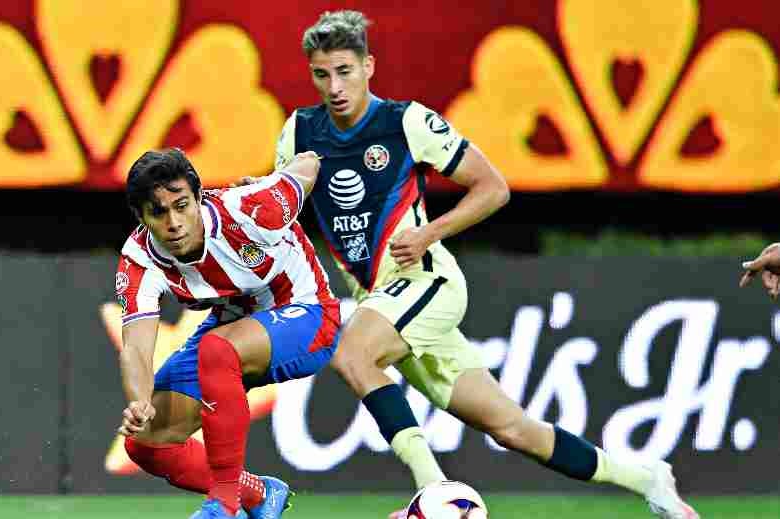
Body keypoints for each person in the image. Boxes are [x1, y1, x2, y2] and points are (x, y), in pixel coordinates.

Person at [275, 10, 699, 519]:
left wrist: (431, 231)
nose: (335, 86)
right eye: (322, 74)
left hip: (425, 281)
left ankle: (431, 492)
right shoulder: (300, 131)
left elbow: (493, 187)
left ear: (369, 66)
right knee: (513, 429)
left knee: (353, 355)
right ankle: (646, 478)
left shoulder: (406, 121)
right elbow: (285, 215)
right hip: (379, 300)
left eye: (345, 70)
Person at [115, 147, 337, 519]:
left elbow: (310, 163)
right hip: (233, 327)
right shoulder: (140, 259)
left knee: (218, 349)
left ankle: (224, 503)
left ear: (198, 198)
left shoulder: (251, 209)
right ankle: (258, 495)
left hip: (308, 316)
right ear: (140, 217)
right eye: (158, 212)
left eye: (182, 205)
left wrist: (274, 178)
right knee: (147, 443)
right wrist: (139, 401)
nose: (174, 222)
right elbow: (135, 348)